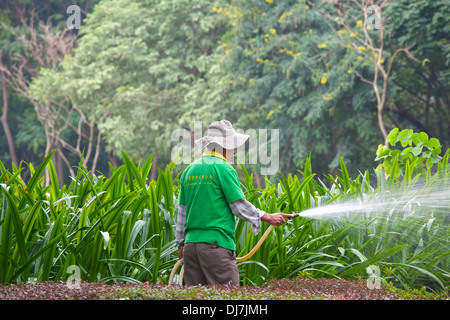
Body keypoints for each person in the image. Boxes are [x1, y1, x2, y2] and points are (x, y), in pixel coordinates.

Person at [175, 120, 294, 286]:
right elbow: (238, 205)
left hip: (191, 248)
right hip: (215, 246)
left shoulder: (190, 170)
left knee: (195, 299)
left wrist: (181, 244)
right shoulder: (224, 168)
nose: (235, 150)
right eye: (233, 146)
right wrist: (268, 217)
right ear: (224, 147)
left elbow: (181, 212)